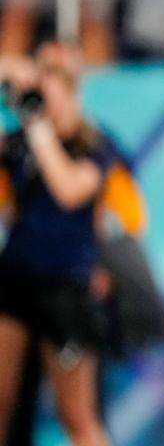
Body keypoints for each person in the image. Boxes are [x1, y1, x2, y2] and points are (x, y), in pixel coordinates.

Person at [0, 42, 115, 446]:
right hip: (15, 278)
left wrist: (39, 126)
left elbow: (69, 191)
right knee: (2, 402)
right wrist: (14, 73)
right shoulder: (19, 142)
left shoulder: (93, 144)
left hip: (65, 288)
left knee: (77, 415)